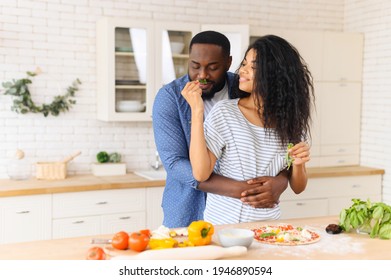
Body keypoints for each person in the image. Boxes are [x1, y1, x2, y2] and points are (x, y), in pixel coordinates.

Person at [152, 31, 289, 228]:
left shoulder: (243, 86)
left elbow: (276, 143)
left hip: (242, 213)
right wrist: (244, 191)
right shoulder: (169, 97)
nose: (202, 76)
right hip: (188, 206)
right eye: (195, 66)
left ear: (228, 62)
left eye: (213, 67)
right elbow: (174, 163)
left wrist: (281, 181)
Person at [182, 34, 314, 225]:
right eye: (244, 64)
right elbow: (201, 174)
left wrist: (299, 164)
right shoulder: (226, 113)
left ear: (274, 74)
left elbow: (298, 187)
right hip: (224, 226)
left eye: (253, 67)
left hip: (269, 227)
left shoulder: (290, 122)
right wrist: (197, 110)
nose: (242, 71)